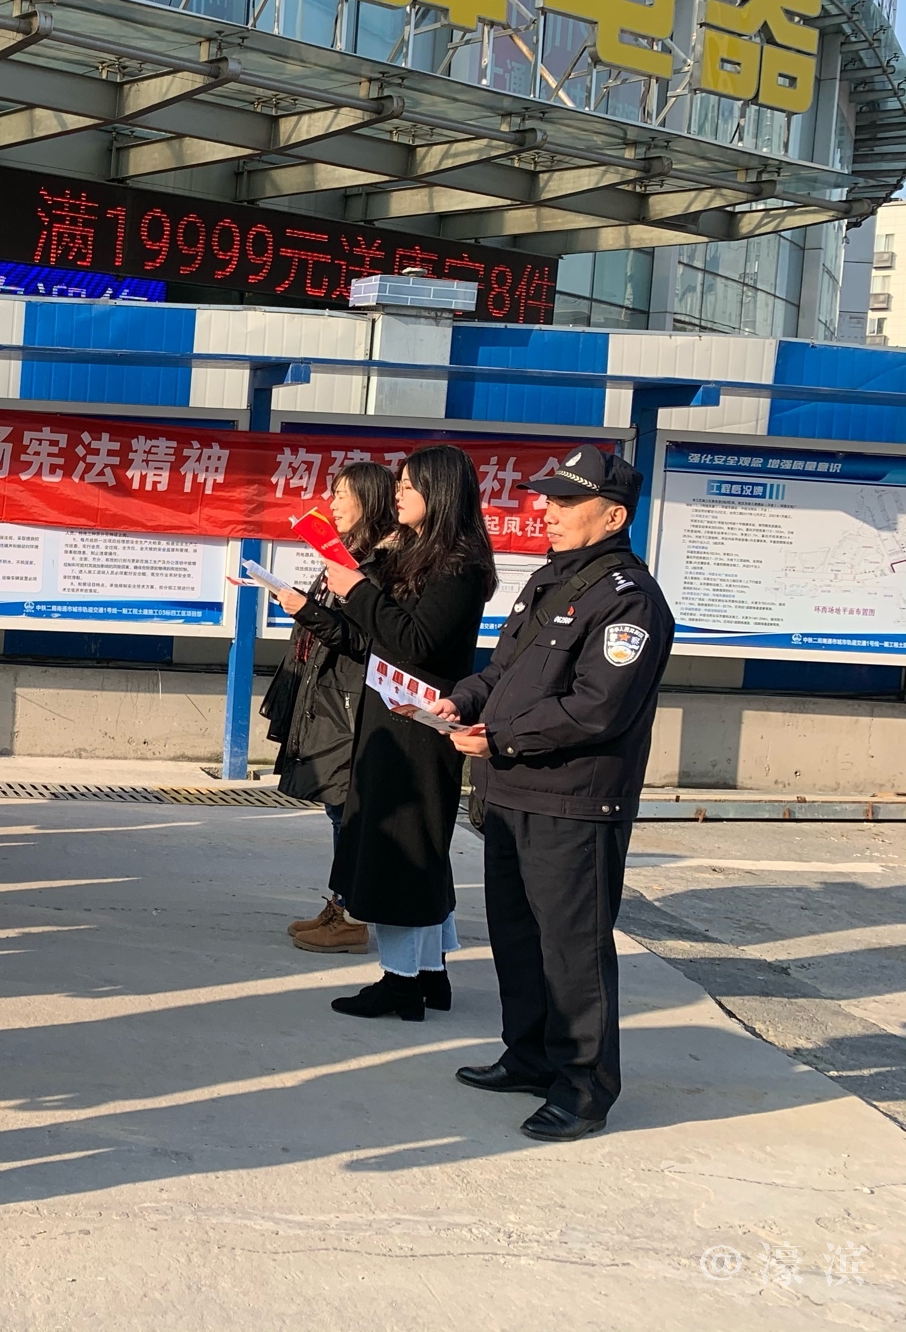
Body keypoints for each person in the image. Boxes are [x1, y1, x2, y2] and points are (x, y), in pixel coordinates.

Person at [429, 444, 675, 1142]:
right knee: (519, 939)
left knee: (573, 951)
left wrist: (501, 738)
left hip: (573, 802)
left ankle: (584, 1089)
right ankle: (531, 1056)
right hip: (512, 794)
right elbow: (502, 671)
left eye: (567, 502)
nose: (547, 511)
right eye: (548, 498)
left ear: (613, 516)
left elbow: (598, 709)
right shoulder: (551, 580)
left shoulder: (630, 600)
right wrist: (460, 702)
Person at [321, 444, 495, 1023]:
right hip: (394, 716)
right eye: (398, 484)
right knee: (413, 851)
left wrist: (358, 592)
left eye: (409, 486)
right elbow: (380, 635)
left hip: (420, 726)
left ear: (440, 494)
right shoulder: (419, 555)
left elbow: (417, 642)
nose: (397, 494)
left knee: (403, 852)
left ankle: (400, 983)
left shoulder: (458, 567)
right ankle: (428, 973)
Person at [269, 460, 399, 954]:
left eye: (343, 494)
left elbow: (365, 640)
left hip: (352, 703)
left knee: (347, 812)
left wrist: (307, 612)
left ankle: (350, 916)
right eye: (333, 493)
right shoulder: (348, 555)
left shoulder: (378, 566)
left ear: (370, 498)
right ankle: (341, 906)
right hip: (327, 695)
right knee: (336, 808)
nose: (333, 504)